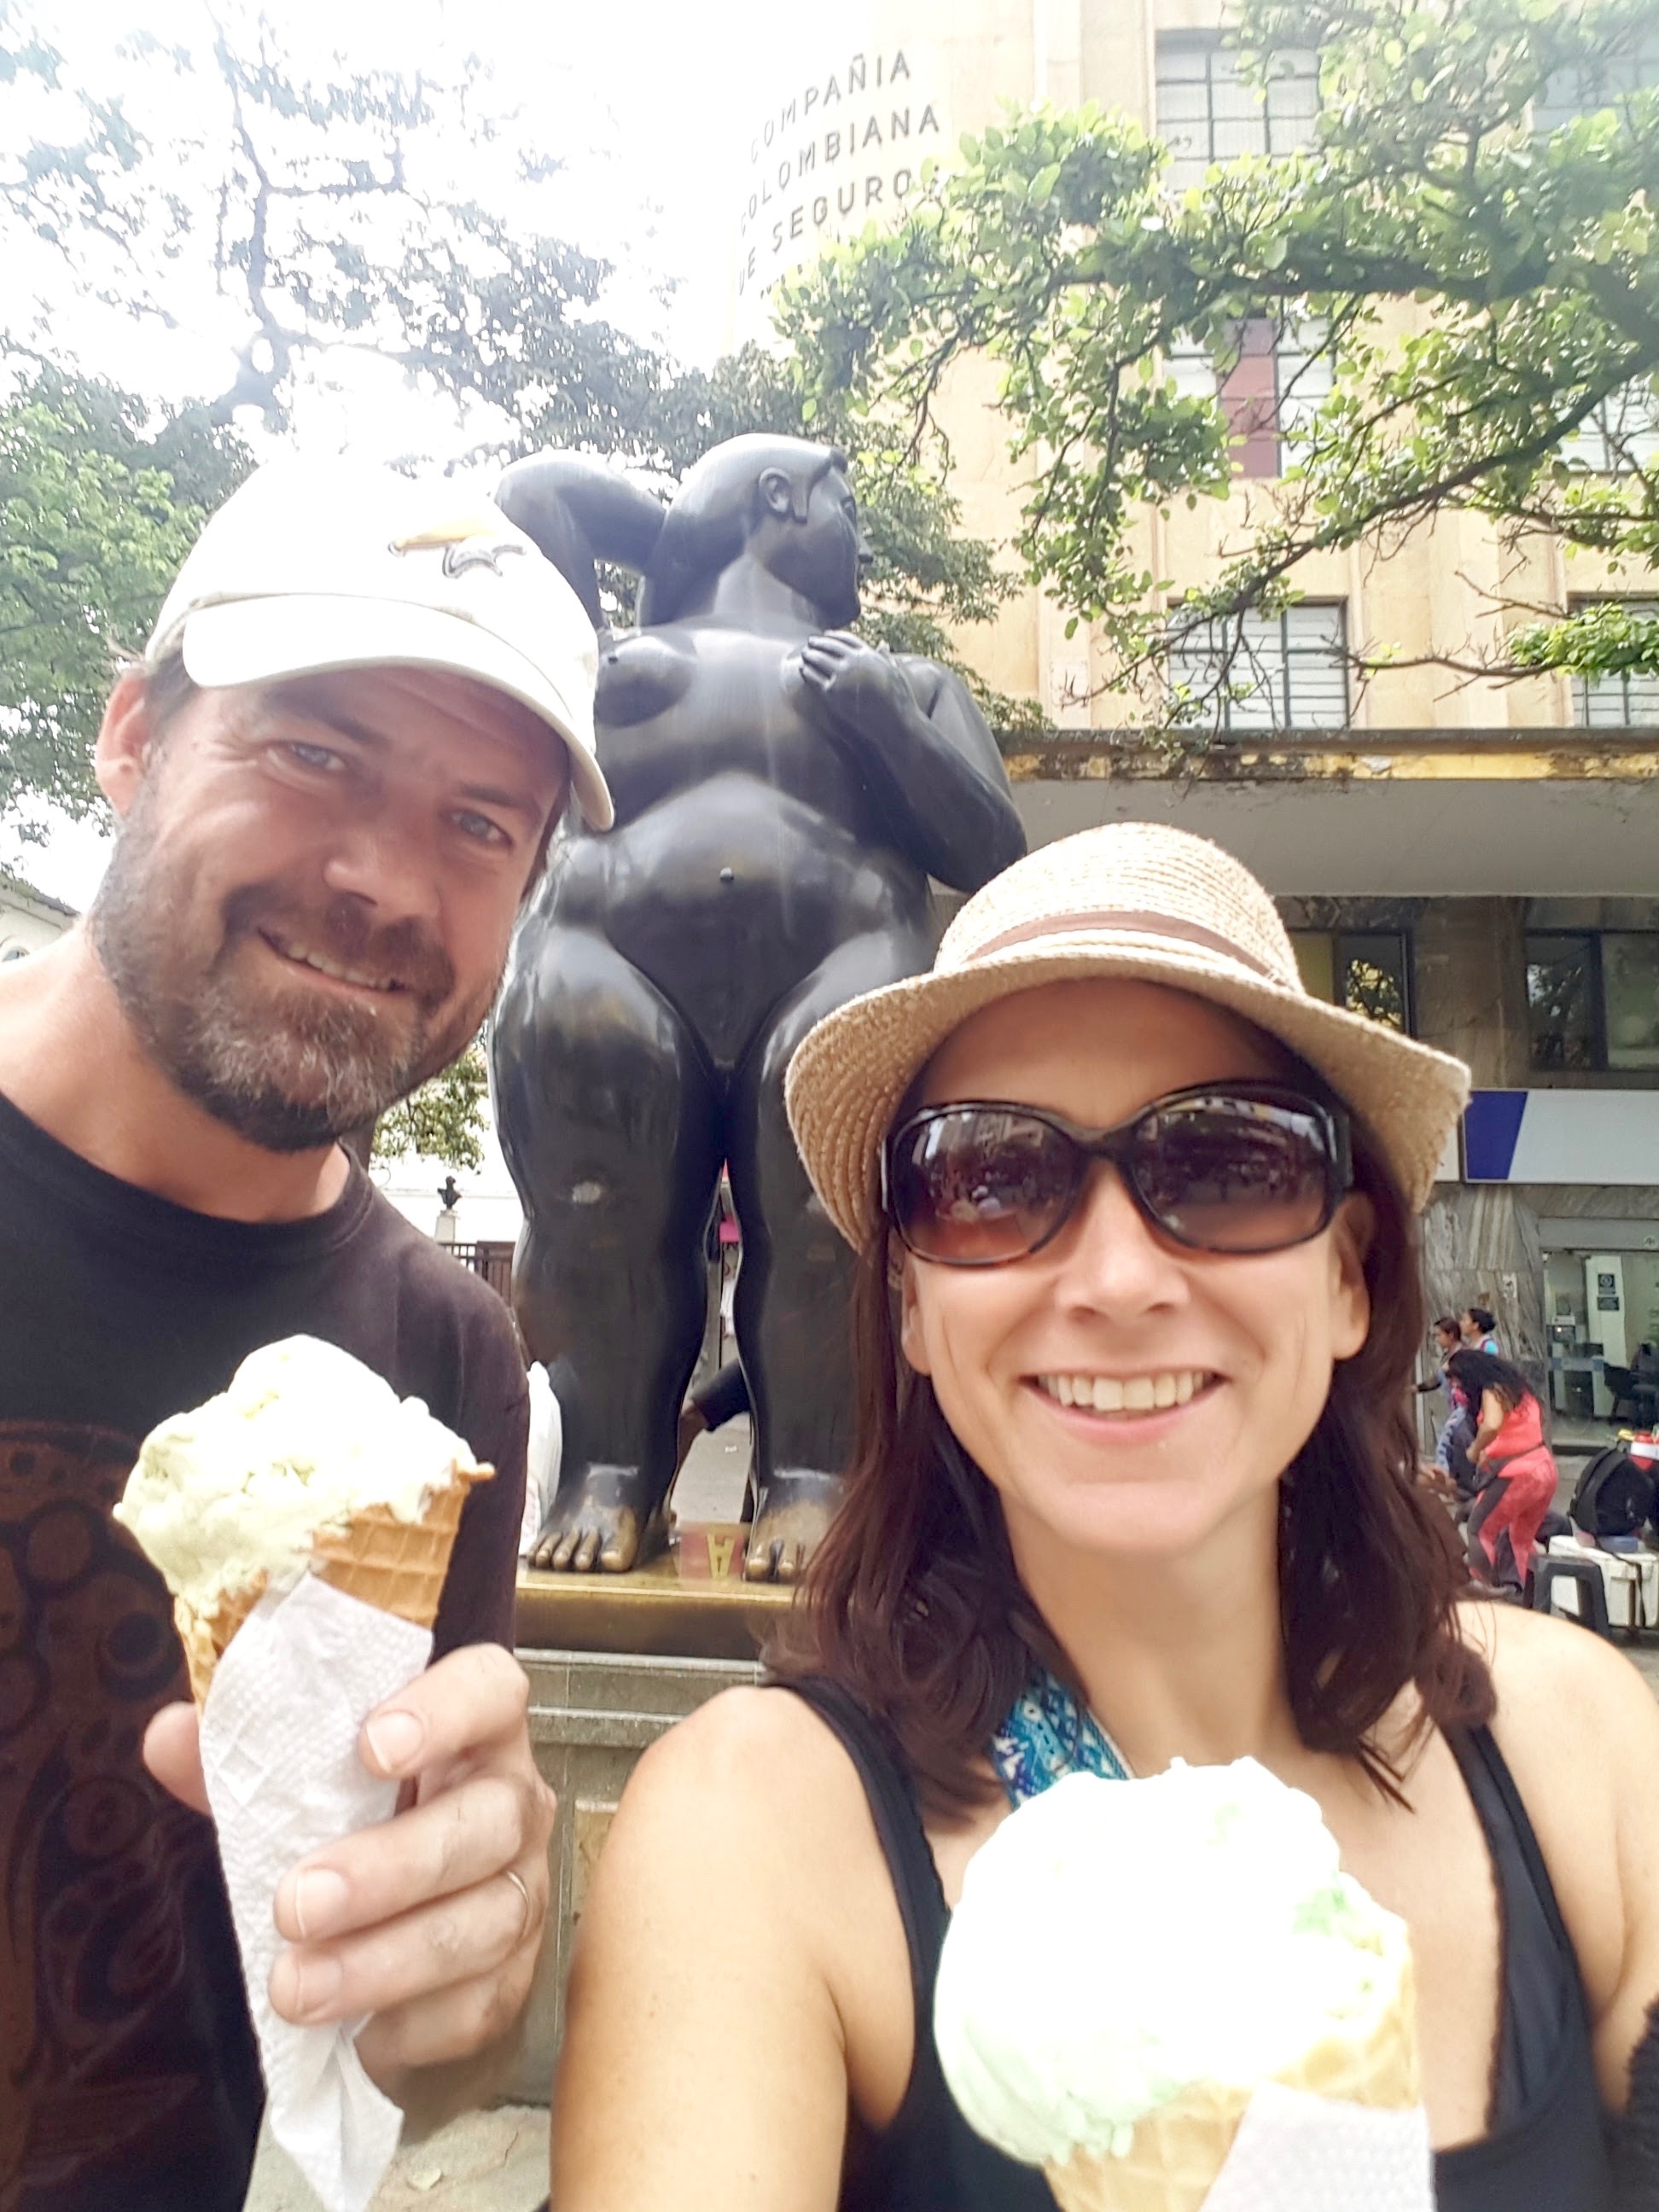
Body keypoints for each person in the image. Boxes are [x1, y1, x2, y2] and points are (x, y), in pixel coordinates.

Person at [551, 823, 1656, 2212]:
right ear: (907, 1300)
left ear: (1348, 1277)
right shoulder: (759, 1836)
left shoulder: (1578, 1750)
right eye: (990, 1175)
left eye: (1224, 1162)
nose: (1118, 1275)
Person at [0, 459, 609, 2211]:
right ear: (130, 739)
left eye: (481, 828)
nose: (385, 884)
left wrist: (467, 1970)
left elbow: (405, 2049)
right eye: (313, 753)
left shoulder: (446, 1359)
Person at [1450, 1349, 1561, 1599]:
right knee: (1520, 1537)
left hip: (1518, 1474)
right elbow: (1522, 1430)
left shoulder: (1493, 1390)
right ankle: (1528, 1596)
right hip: (1544, 1468)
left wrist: (1475, 1449)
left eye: (1456, 1378)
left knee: (1480, 1530)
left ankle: (1483, 1592)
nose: (1455, 1385)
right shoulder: (1519, 1389)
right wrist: (1494, 1450)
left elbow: (1491, 1424)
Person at [1416, 1313, 1468, 1479]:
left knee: (1444, 1446)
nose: (1437, 1339)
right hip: (1453, 1406)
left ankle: (1445, 1479)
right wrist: (1415, 1389)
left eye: (1439, 1335)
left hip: (1464, 1407)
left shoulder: (1464, 1355)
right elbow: (1436, 1380)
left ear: (1451, 1335)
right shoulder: (1448, 1355)